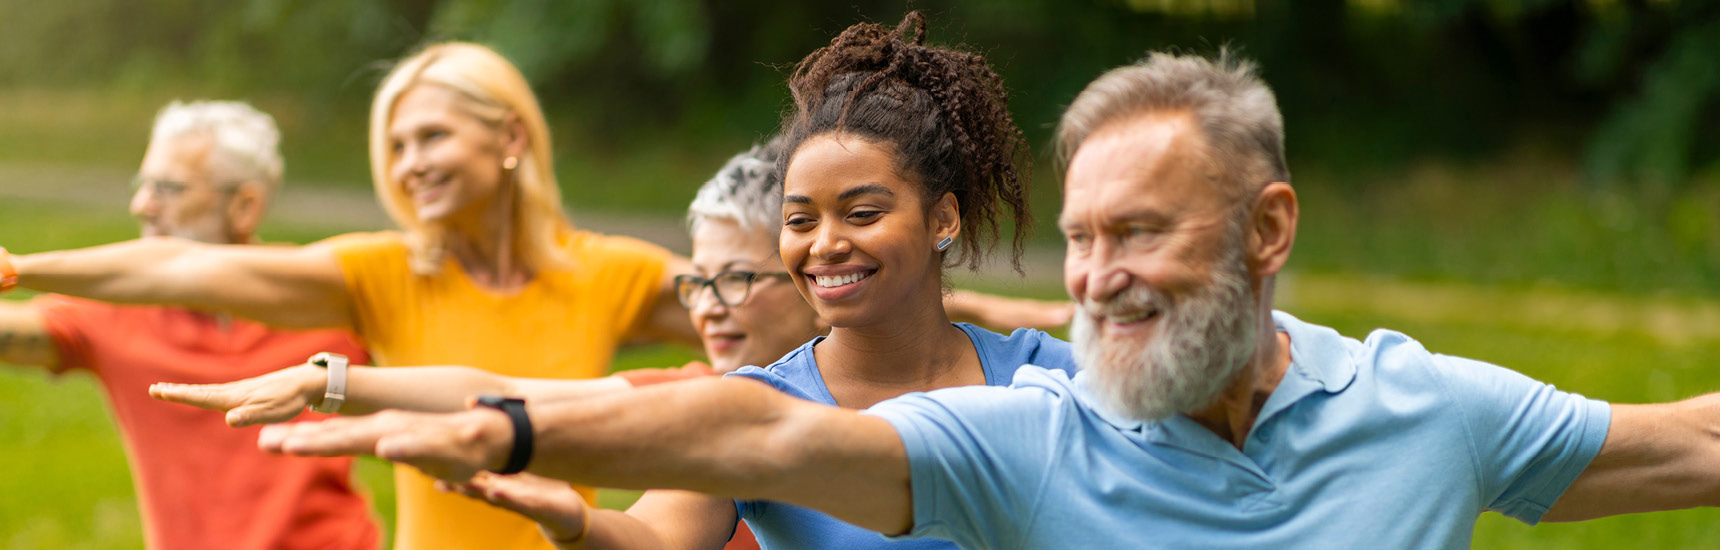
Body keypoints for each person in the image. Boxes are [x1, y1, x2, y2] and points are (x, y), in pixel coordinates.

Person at [251, 51, 1720, 549]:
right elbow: (746, 435)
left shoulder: (1424, 407)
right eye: (1078, 240)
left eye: (1139, 232)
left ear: (1269, 226)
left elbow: (1692, 444)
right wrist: (497, 424)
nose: (1095, 276)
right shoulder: (1031, 438)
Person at [164, 12, 1074, 550]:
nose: (824, 244)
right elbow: (640, 519)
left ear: (944, 219)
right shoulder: (754, 404)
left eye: (862, 213)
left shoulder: (1044, 379)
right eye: (800, 221)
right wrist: (575, 524)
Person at [3, 43, 700, 550]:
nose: (410, 165)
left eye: (431, 137)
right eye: (396, 146)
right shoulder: (386, 274)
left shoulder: (607, 274)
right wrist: (20, 266)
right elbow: (184, 267)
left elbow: (746, 312)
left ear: (511, 135)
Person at [0, 101, 377, 549]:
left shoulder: (324, 294)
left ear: (245, 206)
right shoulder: (117, 310)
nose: (142, 205)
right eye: (143, 184)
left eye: (168, 188)